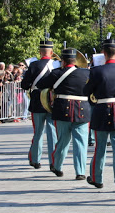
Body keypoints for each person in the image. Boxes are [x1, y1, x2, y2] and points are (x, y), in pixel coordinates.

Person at [83, 37, 115, 192]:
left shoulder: (96, 71)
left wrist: (95, 102)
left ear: (103, 53)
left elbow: (86, 92)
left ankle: (97, 178)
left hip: (101, 109)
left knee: (100, 147)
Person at [36, 48, 91, 179]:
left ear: (63, 61)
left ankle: (57, 166)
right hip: (82, 109)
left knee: (62, 140)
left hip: (62, 109)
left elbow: (40, 84)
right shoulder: (86, 73)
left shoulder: (56, 73)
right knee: (81, 142)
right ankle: (80, 172)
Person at [21, 38, 58, 169]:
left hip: (37, 100)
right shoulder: (57, 64)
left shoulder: (34, 65)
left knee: (38, 132)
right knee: (52, 131)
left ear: (40, 52)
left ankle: (35, 159)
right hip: (53, 100)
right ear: (51, 52)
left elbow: (24, 85)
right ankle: (54, 161)